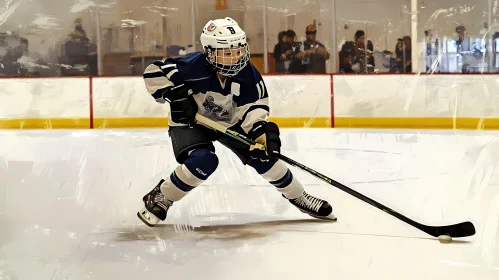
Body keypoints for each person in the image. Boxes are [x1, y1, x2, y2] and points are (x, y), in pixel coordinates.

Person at [137, 17, 336, 227]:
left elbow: (255, 106)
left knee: (264, 158)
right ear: (209, 52)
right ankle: (162, 196)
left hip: (228, 123)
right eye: (227, 52)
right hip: (190, 122)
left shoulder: (248, 74)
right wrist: (174, 95)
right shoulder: (190, 66)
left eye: (239, 50)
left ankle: (299, 196)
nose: (236, 57)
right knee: (204, 161)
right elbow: (153, 72)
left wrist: (260, 132)